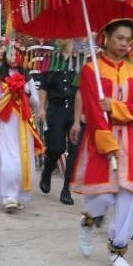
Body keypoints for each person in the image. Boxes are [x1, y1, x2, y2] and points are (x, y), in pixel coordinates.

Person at [72, 19, 133, 266]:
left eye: (128, 39)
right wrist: (108, 144)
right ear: (106, 37)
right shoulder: (90, 70)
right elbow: (93, 109)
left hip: (129, 140)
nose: (124, 43)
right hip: (101, 138)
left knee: (129, 196)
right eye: (120, 38)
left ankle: (118, 249)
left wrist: (114, 106)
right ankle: (88, 220)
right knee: (103, 196)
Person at [0, 47, 42, 212]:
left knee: (22, 158)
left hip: (22, 123)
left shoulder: (27, 77)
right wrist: (9, 92)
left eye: (17, 54)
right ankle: (8, 196)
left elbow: (35, 103)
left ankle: (17, 193)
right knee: (8, 158)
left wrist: (25, 92)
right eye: (10, 54)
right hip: (5, 122)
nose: (14, 58)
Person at [37, 39, 79, 205]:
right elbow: (44, 86)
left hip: (76, 107)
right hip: (56, 107)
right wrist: (41, 107)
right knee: (56, 147)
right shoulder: (50, 59)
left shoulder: (81, 59)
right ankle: (48, 169)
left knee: (74, 150)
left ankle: (66, 188)